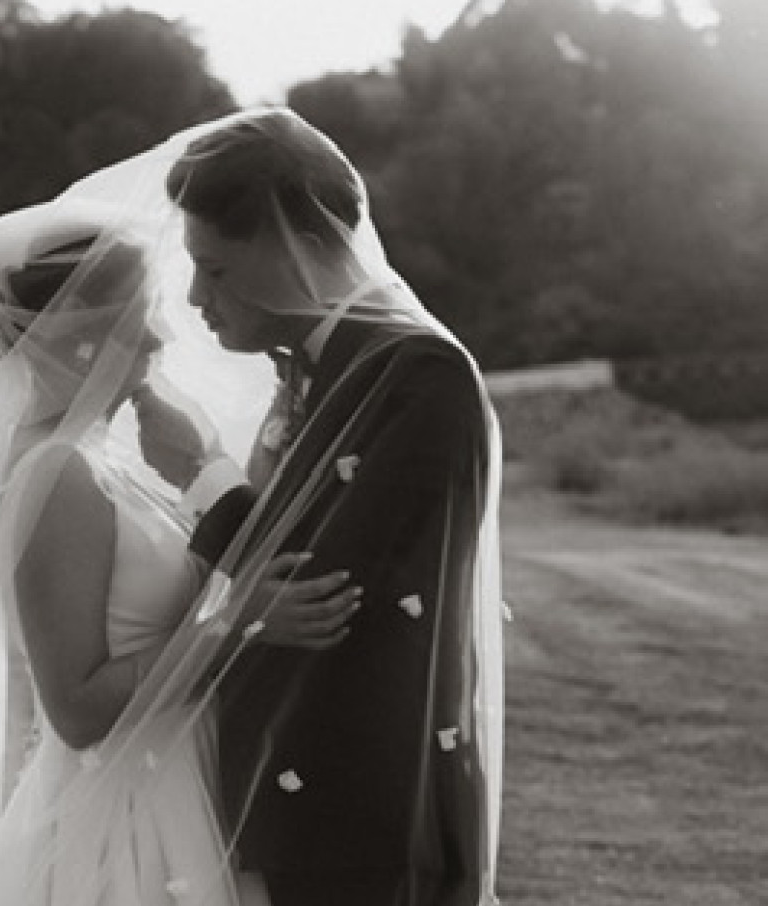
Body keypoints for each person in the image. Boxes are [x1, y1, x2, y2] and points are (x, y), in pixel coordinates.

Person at [0, 195, 357, 906]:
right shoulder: (54, 471)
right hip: (123, 818)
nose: (161, 337)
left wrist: (205, 467)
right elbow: (76, 707)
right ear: (83, 336)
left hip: (175, 782)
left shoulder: (103, 458)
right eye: (142, 317)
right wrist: (237, 625)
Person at [132, 109, 506, 905]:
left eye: (217, 271)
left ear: (294, 245)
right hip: (287, 784)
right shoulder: (319, 365)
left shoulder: (417, 372)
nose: (197, 297)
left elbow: (322, 589)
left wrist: (201, 475)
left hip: (360, 803)